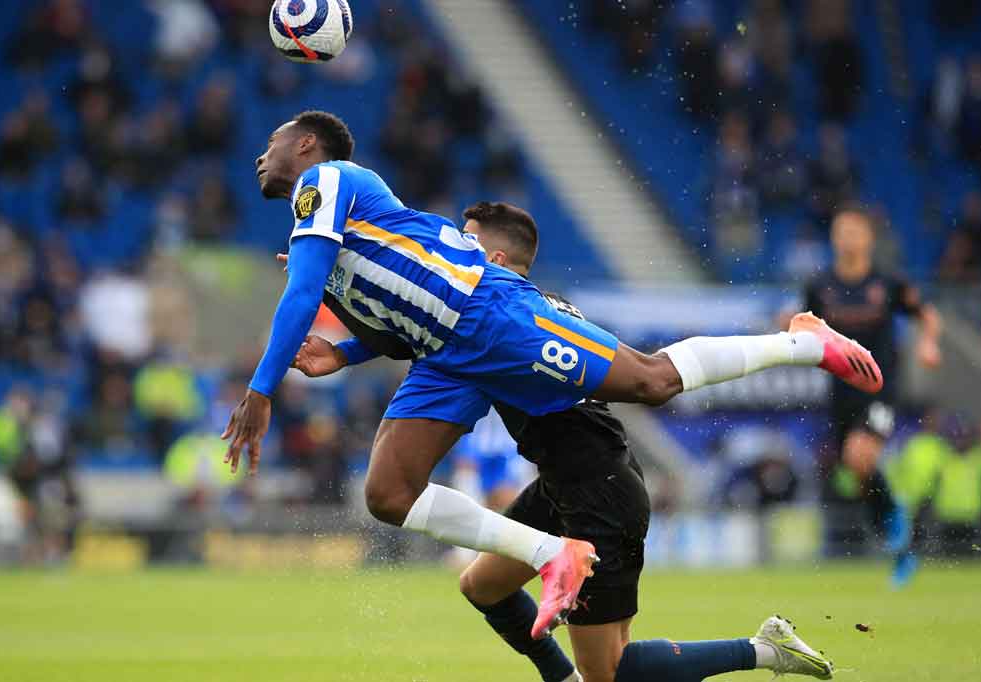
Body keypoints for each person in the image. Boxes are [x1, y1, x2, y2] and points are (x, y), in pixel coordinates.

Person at [222, 110, 882, 639]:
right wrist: (343, 353)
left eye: (273, 142)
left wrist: (260, 390)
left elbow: (304, 293)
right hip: (446, 354)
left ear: (306, 145)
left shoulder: (329, 180)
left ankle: (801, 342)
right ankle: (551, 554)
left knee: (650, 381)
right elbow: (397, 309)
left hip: (490, 316)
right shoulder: (324, 220)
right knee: (389, 494)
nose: (261, 155)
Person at [289, 202, 835, 682]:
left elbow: (650, 379)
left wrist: (338, 287)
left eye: (465, 240)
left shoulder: (500, 322)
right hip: (560, 486)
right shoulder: (506, 313)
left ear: (495, 260)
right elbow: (416, 331)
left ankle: (763, 649)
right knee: (483, 587)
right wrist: (343, 338)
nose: (448, 251)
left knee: (612, 671)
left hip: (599, 495)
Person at [790, 205, 941, 584]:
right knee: (857, 474)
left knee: (859, 458)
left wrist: (928, 344)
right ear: (833, 238)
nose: (848, 238)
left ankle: (897, 523)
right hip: (840, 395)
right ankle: (899, 543)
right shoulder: (820, 285)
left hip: (880, 389)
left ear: (869, 238)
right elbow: (804, 324)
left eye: (855, 231)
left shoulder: (888, 283)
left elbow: (927, 315)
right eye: (841, 231)